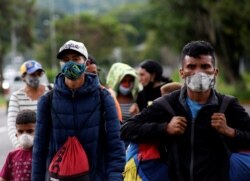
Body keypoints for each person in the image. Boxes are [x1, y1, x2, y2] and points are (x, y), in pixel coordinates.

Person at [121, 40, 250, 181]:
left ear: (215, 72)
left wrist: (230, 132)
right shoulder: (166, 105)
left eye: (205, 66)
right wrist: (164, 128)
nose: (198, 72)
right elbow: (127, 129)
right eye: (191, 66)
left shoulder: (227, 105)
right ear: (182, 72)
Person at [32, 40, 125, 181]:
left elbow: (116, 146)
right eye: (65, 60)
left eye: (76, 59)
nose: (70, 64)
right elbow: (39, 150)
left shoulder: (103, 97)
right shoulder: (47, 100)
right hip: (58, 177)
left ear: (85, 62)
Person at [7, 60, 50, 148]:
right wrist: (19, 147)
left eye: (39, 74)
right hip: (26, 145)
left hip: (49, 145)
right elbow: (12, 125)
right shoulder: (16, 97)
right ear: (23, 76)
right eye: (32, 74)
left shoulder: (51, 90)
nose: (36, 77)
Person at [0, 109, 36, 181]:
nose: (25, 135)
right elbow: (3, 178)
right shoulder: (12, 155)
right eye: (20, 131)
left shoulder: (43, 154)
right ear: (16, 133)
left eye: (30, 131)